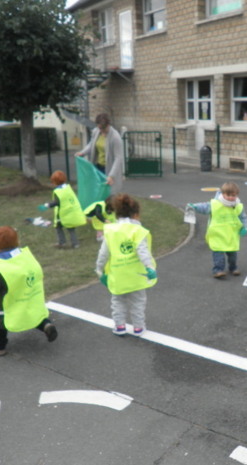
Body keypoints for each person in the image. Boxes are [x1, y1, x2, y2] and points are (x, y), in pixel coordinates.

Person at [0, 226, 58, 356]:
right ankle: (46, 325)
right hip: (29, 294)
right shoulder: (25, 255)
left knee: (1, 324)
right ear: (17, 241)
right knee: (33, 314)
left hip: (10, 299)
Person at [95, 194, 157, 337]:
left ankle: (120, 326)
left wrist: (99, 270)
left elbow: (103, 254)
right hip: (137, 275)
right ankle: (138, 327)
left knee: (118, 301)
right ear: (136, 214)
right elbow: (143, 252)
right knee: (138, 302)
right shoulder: (137, 231)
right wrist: (150, 267)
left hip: (118, 275)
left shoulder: (110, 231)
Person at [187, 181, 247, 278]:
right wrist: (194, 207)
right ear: (222, 194)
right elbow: (204, 207)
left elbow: (243, 217)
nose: (231, 197)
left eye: (233, 195)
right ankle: (218, 270)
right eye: (228, 195)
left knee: (232, 254)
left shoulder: (238, 206)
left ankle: (233, 267)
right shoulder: (215, 204)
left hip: (231, 235)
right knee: (218, 254)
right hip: (217, 234)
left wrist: (244, 227)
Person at [75, 113, 124, 194]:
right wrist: (82, 153)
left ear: (108, 125)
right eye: (99, 128)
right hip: (97, 167)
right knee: (97, 191)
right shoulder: (96, 131)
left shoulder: (115, 137)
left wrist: (112, 176)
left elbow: (118, 158)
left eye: (103, 128)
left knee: (108, 193)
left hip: (108, 169)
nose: (101, 130)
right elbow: (91, 144)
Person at [39, 170, 86, 249]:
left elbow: (57, 202)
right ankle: (75, 244)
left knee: (58, 227)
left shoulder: (58, 191)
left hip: (63, 214)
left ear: (54, 182)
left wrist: (47, 205)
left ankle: (62, 242)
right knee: (71, 228)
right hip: (72, 212)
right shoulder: (68, 187)